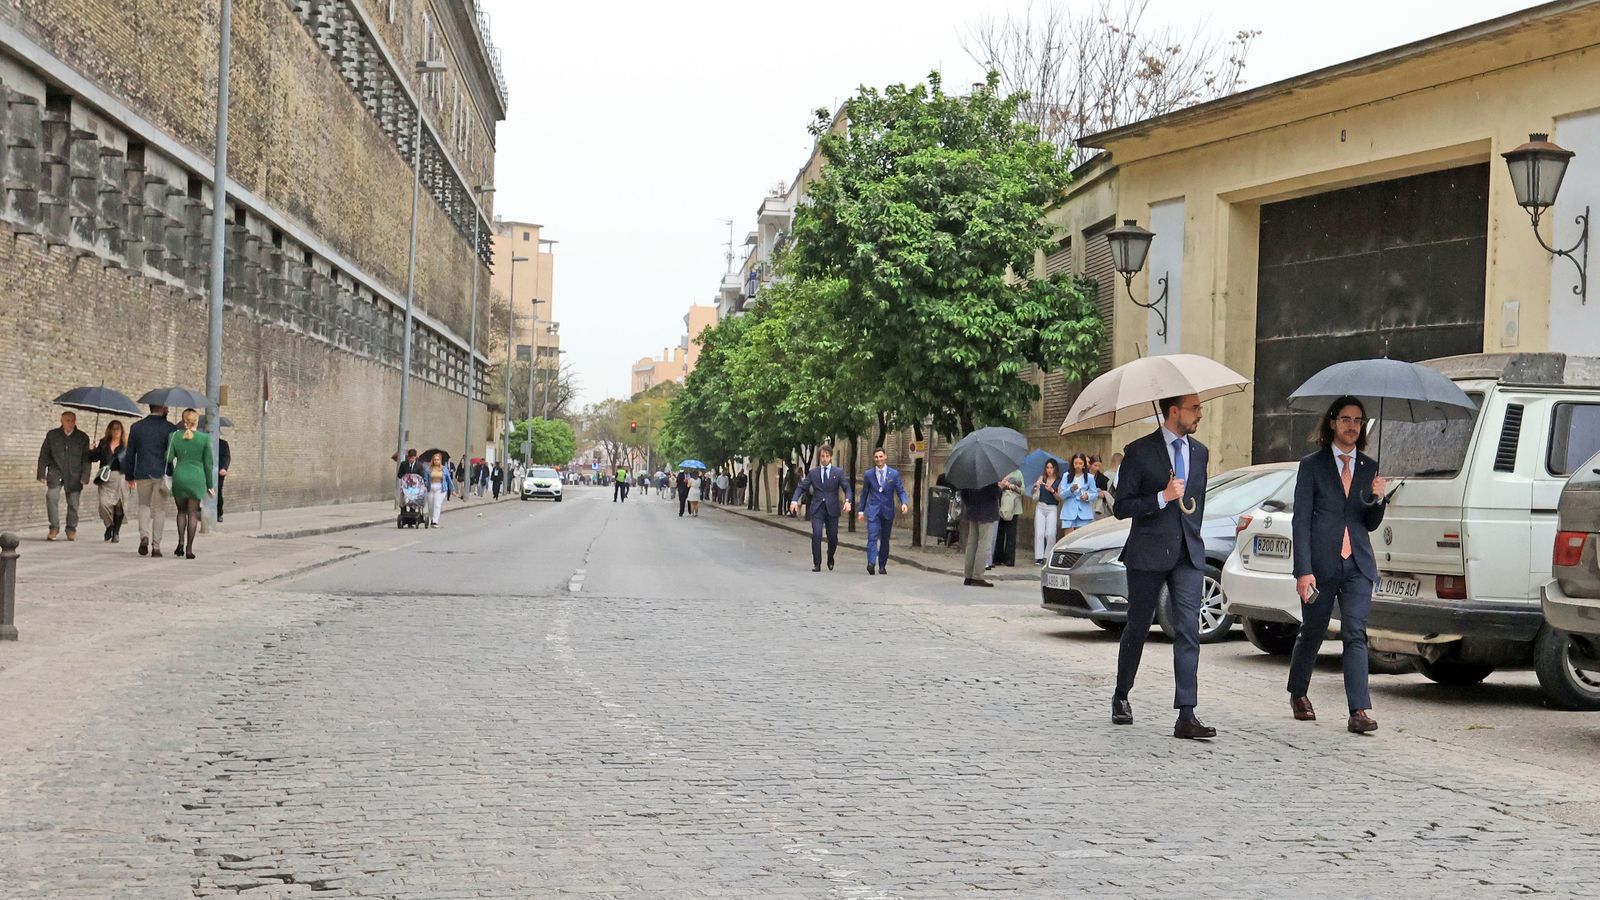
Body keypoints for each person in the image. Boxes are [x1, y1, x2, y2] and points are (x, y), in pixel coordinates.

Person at [1111, 393, 1214, 740]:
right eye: (1194, 408)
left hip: (1187, 553)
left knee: (1188, 629)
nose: (1200, 414)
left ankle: (1187, 713)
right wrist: (1161, 497)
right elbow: (1121, 506)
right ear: (1174, 411)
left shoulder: (1200, 453)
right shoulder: (1139, 452)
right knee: (1138, 626)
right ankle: (1122, 694)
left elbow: (1196, 503)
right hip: (1148, 552)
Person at [1289, 396, 1390, 735]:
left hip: (1358, 564)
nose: (1351, 426)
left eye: (1358, 420)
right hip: (1321, 564)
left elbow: (1370, 522)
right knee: (1313, 631)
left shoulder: (1368, 467)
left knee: (1355, 633)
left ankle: (1359, 710)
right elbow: (1301, 520)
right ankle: (1298, 692)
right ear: (1332, 422)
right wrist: (1303, 570)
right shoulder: (1312, 466)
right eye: (1345, 419)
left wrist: (1379, 498)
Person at [789, 445, 853, 572]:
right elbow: (802, 487)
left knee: (833, 537)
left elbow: (847, 488)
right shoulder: (813, 473)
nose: (824, 459)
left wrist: (848, 501)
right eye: (822, 456)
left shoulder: (838, 472)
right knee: (817, 534)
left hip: (832, 508)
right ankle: (817, 563)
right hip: (817, 508)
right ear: (819, 457)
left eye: (827, 456)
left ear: (830, 457)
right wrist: (794, 500)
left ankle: (830, 556)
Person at [126, 405, 177, 557]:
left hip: (142, 472)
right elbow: (172, 453)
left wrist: (129, 475)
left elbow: (130, 454)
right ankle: (156, 547)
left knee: (144, 505)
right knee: (159, 510)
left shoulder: (137, 427)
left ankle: (144, 537)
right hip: (162, 474)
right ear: (162, 408)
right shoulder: (170, 428)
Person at [164, 408, 214, 560]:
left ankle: (180, 542)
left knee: (181, 512)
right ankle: (189, 549)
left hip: (180, 477)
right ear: (196, 422)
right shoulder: (204, 439)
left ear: (183, 420)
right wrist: (210, 485)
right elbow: (208, 465)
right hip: (196, 478)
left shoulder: (174, 436)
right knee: (192, 513)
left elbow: (168, 457)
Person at [37, 411, 91, 541]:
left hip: (74, 474)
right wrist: (41, 473)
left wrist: (85, 476)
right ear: (61, 421)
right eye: (67, 420)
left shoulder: (82, 437)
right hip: (56, 472)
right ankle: (54, 527)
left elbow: (86, 459)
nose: (70, 423)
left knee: (73, 504)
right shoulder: (52, 435)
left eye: (72, 420)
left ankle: (71, 529)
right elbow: (44, 454)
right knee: (51, 497)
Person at [857, 448, 908, 575]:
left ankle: (882, 565)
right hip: (873, 510)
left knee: (885, 539)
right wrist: (861, 511)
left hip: (887, 510)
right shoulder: (869, 474)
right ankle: (871, 563)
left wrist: (904, 503)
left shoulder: (894, 474)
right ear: (874, 458)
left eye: (880, 456)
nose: (878, 459)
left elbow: (900, 490)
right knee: (872, 536)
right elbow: (864, 493)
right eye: (876, 457)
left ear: (885, 457)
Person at [92, 420, 130, 543]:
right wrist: (92, 450)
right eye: (113, 429)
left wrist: (132, 478)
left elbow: (131, 462)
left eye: (118, 429)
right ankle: (109, 525)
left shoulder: (126, 445)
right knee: (103, 505)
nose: (115, 431)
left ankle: (116, 533)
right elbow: (94, 458)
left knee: (119, 506)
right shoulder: (103, 443)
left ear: (122, 431)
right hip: (105, 477)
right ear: (109, 430)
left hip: (121, 477)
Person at [959, 479, 1002, 587]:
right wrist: (1000, 487)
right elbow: (993, 493)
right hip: (987, 512)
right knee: (984, 544)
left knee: (972, 543)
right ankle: (977, 576)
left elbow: (964, 493)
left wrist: (970, 504)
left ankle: (968, 575)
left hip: (973, 510)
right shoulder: (989, 475)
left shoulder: (970, 473)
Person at [1032, 458, 1064, 566]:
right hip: (1040, 506)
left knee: (1050, 533)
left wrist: (1052, 490)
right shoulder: (1042, 478)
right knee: (1039, 532)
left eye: (1051, 468)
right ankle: (1039, 557)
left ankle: (1048, 555)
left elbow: (1060, 498)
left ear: (1055, 469)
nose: (1049, 470)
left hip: (1052, 507)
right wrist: (1036, 485)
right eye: (1047, 467)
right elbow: (1034, 494)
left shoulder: (1059, 481)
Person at [1060, 453, 1099, 536]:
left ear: (1084, 465)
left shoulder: (1089, 477)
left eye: (1080, 463)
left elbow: (1094, 493)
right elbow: (1062, 495)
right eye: (1076, 463)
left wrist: (1087, 496)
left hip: (1083, 509)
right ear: (1072, 464)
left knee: (1081, 537)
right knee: (1068, 538)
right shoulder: (1066, 476)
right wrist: (1070, 490)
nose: (1078, 466)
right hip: (1069, 510)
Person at [993, 468, 1024, 567]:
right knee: (999, 533)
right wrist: (1003, 485)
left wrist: (1014, 487)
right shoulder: (999, 472)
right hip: (1001, 506)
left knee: (1011, 534)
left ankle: (1009, 559)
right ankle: (997, 557)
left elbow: (1023, 491)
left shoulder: (1018, 473)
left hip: (1014, 507)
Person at [425, 451, 454, 527]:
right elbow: (425, 479)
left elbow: (448, 479)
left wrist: (452, 490)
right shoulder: (429, 469)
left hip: (441, 488)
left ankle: (435, 521)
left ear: (440, 460)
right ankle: (432, 519)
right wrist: (423, 486)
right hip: (431, 488)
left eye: (438, 459)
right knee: (431, 506)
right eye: (435, 459)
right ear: (433, 460)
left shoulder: (444, 469)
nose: (436, 461)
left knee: (437, 504)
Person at [1089, 455, 1113, 520]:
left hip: (1097, 504)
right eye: (1095, 465)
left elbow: (1104, 492)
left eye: (1099, 466)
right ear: (1090, 464)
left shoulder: (1102, 478)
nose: (1097, 468)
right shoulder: (1084, 476)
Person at [216, 436, 231, 522]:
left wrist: (224, 468)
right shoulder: (205, 442)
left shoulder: (223, 444)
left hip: (219, 472)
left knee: (218, 492)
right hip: (206, 471)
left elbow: (227, 457)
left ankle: (219, 513)